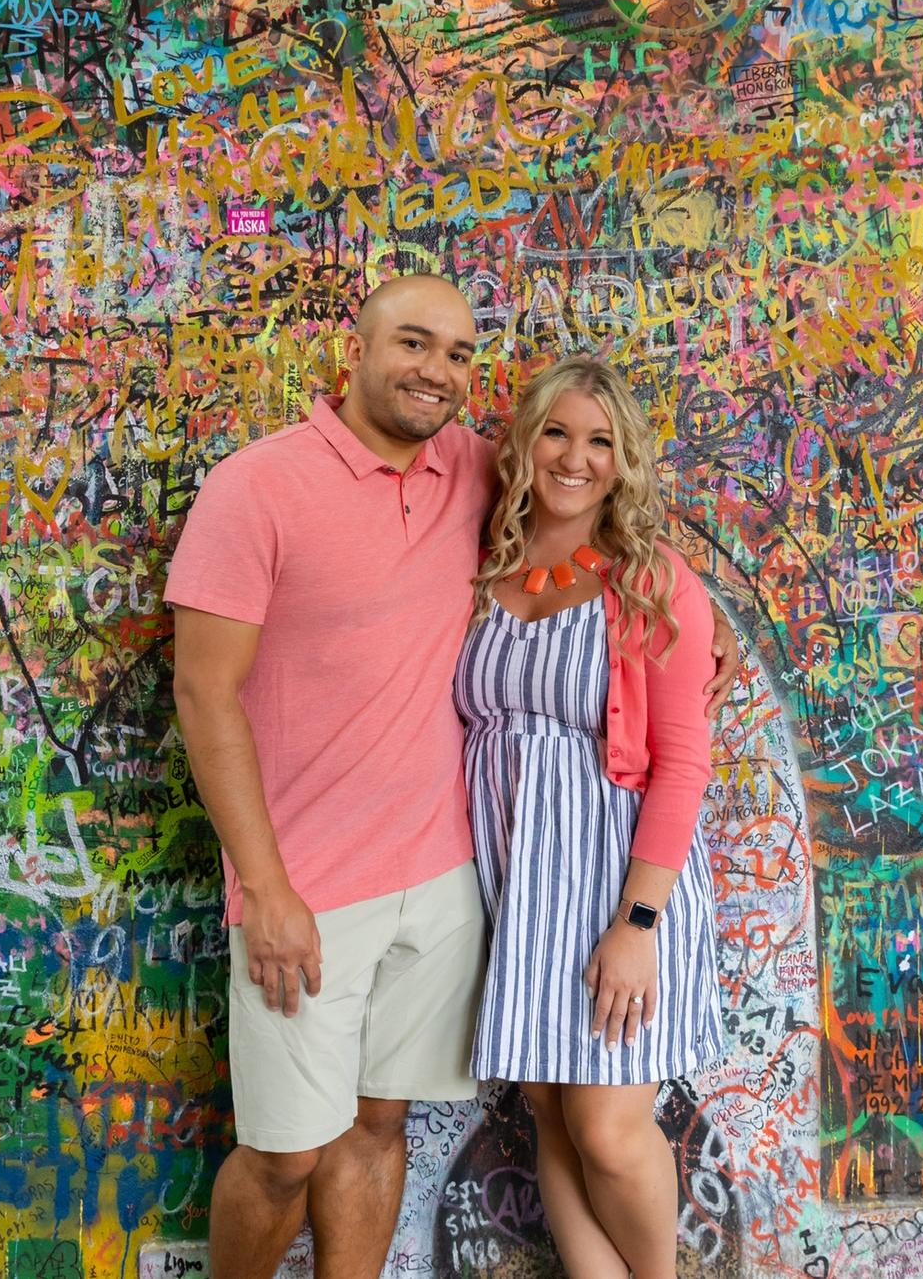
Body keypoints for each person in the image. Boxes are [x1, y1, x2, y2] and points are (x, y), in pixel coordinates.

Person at [166, 274, 738, 1279]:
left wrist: (700, 620)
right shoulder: (262, 485)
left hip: (469, 880)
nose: (435, 370)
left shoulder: (476, 471)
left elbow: (663, 682)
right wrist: (261, 885)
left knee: (392, 1124)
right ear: (355, 348)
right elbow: (204, 694)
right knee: (289, 1150)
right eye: (412, 343)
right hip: (339, 884)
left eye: (459, 353)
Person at [454, 356, 727, 1279]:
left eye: (601, 440)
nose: (576, 458)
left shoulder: (651, 580)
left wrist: (637, 924)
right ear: (523, 445)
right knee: (550, 1115)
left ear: (625, 461)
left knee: (607, 1127)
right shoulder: (480, 562)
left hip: (618, 881)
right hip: (515, 881)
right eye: (558, 434)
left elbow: (685, 763)